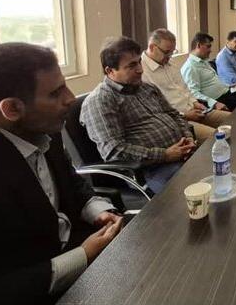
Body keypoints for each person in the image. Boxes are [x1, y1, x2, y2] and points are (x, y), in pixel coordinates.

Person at [0, 43, 123, 305]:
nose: (70, 99)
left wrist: (97, 211)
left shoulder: (42, 124)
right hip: (27, 304)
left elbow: (71, 182)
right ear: (11, 108)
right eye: (55, 93)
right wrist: (83, 256)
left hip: (77, 248)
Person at [80, 37, 196, 194]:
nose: (140, 69)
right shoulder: (101, 101)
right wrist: (165, 155)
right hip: (150, 171)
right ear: (110, 71)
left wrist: (188, 137)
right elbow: (114, 151)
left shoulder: (147, 88)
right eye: (131, 65)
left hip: (181, 155)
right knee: (200, 194)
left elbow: (174, 115)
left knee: (219, 171)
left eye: (139, 62)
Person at [141, 28, 229, 142]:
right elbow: (156, 110)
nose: (169, 56)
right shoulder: (142, 72)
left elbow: (185, 88)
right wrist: (185, 115)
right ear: (152, 47)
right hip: (178, 119)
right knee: (217, 138)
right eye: (167, 52)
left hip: (195, 110)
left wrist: (195, 102)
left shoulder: (171, 63)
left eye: (172, 52)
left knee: (233, 120)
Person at [181, 32, 236, 110]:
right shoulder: (190, 67)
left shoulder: (203, 61)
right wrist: (214, 103)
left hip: (227, 93)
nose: (210, 50)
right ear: (198, 45)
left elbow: (213, 81)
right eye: (208, 46)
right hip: (219, 100)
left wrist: (229, 86)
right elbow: (193, 93)